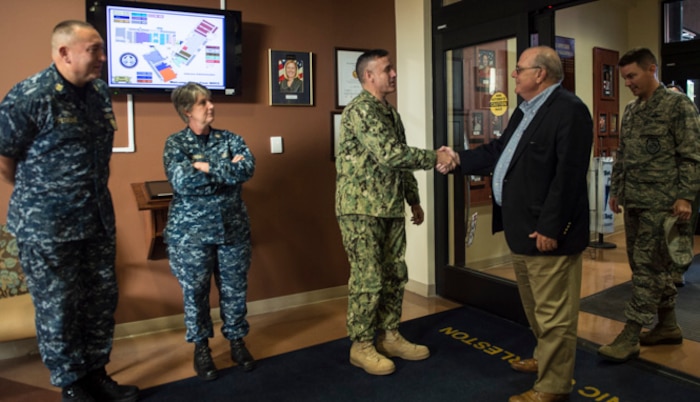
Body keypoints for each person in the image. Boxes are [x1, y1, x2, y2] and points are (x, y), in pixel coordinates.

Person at [439, 46, 593, 402]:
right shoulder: (526, 111)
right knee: (536, 308)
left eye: (519, 69)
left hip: (547, 233)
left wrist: (552, 228)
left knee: (554, 313)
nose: (513, 74)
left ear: (540, 74)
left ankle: (554, 386)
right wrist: (459, 159)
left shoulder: (570, 111)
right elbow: (497, 152)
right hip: (522, 228)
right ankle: (544, 359)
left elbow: (568, 177)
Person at [0, 20, 139, 402]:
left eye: (101, 49)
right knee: (58, 307)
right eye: (94, 49)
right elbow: (5, 157)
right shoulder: (30, 95)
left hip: (94, 219)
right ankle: (72, 384)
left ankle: (96, 374)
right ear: (64, 52)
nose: (103, 57)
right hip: (47, 225)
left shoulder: (98, 93)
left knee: (99, 301)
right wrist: (41, 196)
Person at [335, 49, 455, 376]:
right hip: (361, 211)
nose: (394, 74)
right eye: (387, 69)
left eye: (393, 69)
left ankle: (389, 336)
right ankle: (361, 345)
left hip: (388, 208)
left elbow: (399, 162)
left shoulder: (389, 113)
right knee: (367, 278)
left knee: (394, 275)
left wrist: (413, 199)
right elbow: (390, 154)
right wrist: (436, 157)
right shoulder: (360, 110)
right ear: (369, 76)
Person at [598, 48, 700, 362]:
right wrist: (616, 190)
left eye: (632, 76)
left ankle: (630, 335)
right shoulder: (631, 110)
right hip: (635, 202)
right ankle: (667, 326)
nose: (628, 83)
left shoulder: (677, 105)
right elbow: (623, 154)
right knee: (647, 266)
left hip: (664, 204)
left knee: (646, 269)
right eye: (624, 77)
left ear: (651, 69)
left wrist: (685, 196)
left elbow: (692, 155)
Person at [164, 82, 256, 381]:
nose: (211, 106)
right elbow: (181, 182)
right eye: (203, 103)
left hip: (232, 229)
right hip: (190, 234)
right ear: (187, 110)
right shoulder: (175, 144)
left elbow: (246, 170)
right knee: (195, 293)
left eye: (211, 101)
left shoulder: (231, 138)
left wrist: (203, 166)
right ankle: (201, 348)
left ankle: (237, 341)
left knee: (234, 290)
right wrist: (224, 168)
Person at [666, 83, 700, 287]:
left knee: (684, 228)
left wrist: (688, 193)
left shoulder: (691, 121)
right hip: (666, 185)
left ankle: (678, 270)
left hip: (688, 184)